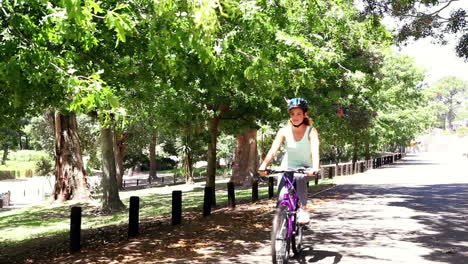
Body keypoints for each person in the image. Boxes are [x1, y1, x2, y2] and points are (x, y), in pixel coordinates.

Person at [258, 97, 320, 224]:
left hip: (305, 167)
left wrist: (315, 168)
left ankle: (303, 210)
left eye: (298, 114)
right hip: (288, 165)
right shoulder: (284, 131)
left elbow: (315, 150)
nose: (295, 117)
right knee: (281, 196)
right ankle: (282, 226)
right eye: (292, 114)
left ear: (305, 114)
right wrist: (263, 165)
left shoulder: (311, 131)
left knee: (299, 177)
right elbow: (273, 150)